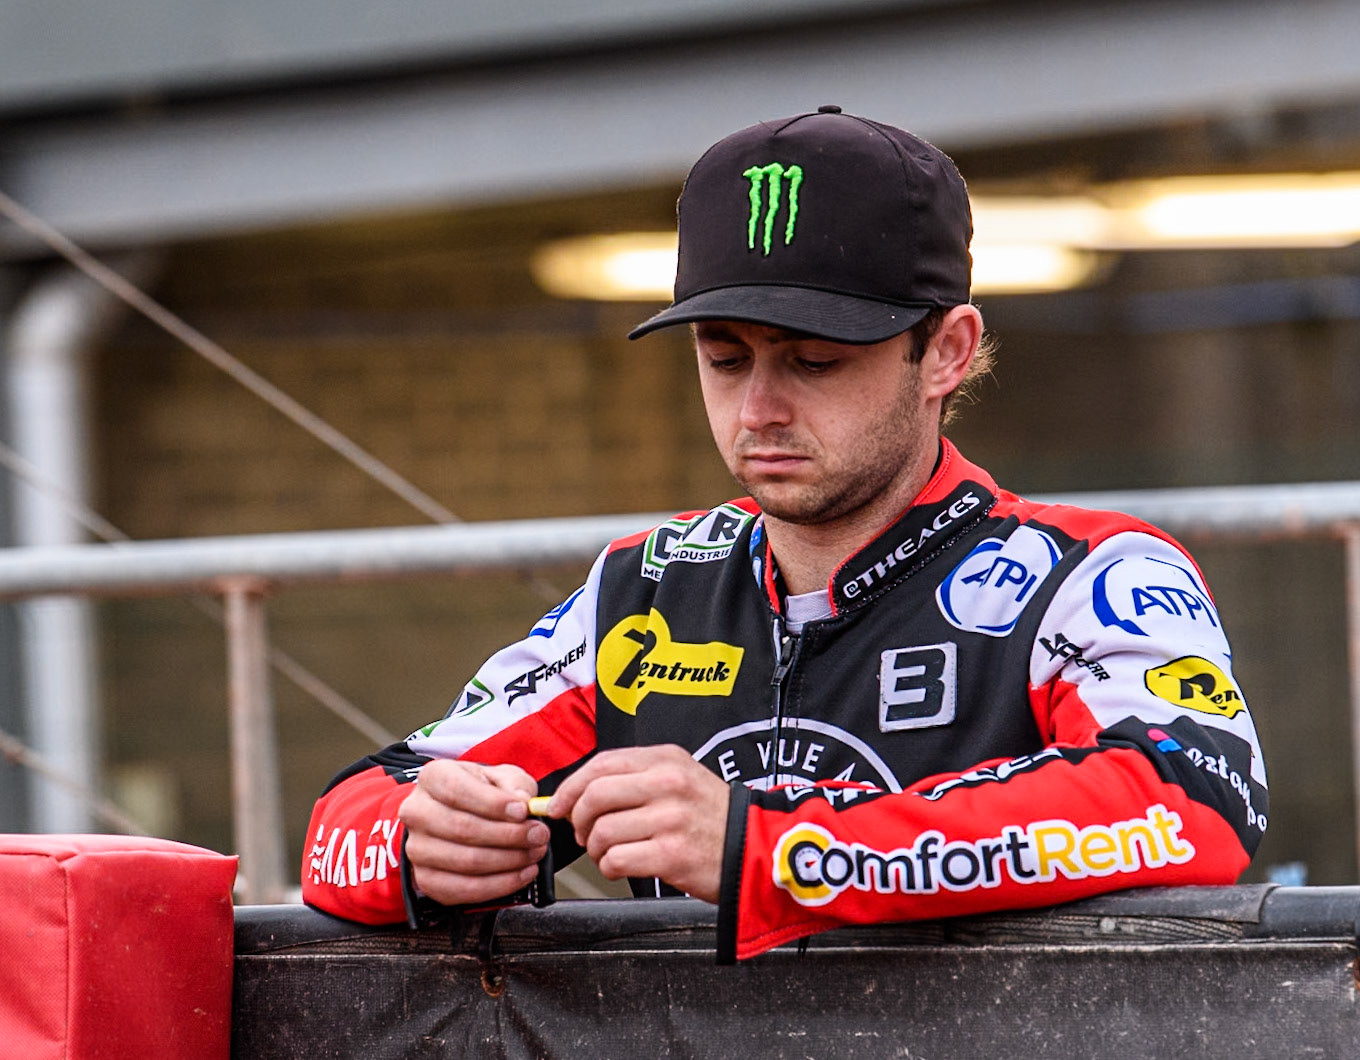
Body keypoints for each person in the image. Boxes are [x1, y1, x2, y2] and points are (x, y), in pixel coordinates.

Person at [302, 107, 1269, 963]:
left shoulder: (1089, 572)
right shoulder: (646, 587)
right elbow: (345, 823)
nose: (758, 408)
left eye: (814, 361)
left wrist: (770, 846)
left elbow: (1190, 800)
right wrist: (419, 842)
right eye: (724, 360)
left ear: (946, 352)